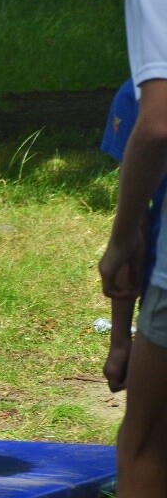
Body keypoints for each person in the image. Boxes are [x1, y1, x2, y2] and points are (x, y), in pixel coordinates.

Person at [99, 0, 167, 498]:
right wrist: (120, 343)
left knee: (146, 450)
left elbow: (134, 241)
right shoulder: (128, 97)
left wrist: (118, 241)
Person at [98, 79, 165, 394]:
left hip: (162, 287)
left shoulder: (140, 93)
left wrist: (120, 341)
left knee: (146, 424)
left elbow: (137, 223)